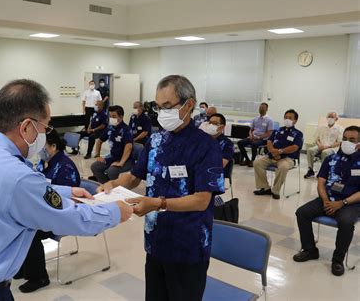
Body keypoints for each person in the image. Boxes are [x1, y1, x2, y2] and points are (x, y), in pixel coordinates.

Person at [0, 79, 133, 301]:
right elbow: (68, 218)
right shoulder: (14, 174)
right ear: (26, 126)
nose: (45, 135)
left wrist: (67, 192)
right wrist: (115, 212)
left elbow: (21, 191)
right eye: (45, 127)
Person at [98, 75, 224, 301]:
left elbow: (202, 200)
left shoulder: (206, 146)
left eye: (168, 106)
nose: (162, 113)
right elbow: (135, 177)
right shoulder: (156, 141)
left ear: (189, 104)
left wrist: (158, 203)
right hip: (156, 240)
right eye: (158, 107)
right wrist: (112, 184)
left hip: (188, 244)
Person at [17, 129, 81, 293]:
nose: (39, 151)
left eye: (42, 147)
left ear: (53, 146)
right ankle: (22, 268)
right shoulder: (43, 162)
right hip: (42, 209)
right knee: (16, 223)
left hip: (61, 214)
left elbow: (66, 201)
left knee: (29, 230)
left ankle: (39, 277)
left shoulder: (65, 167)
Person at [294, 126, 360, 276]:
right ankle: (310, 249)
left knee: (346, 222)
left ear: (359, 144)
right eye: (344, 138)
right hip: (327, 198)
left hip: (351, 203)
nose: (346, 142)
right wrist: (325, 201)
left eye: (352, 140)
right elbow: (321, 182)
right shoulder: (331, 158)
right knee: (302, 213)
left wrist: (342, 203)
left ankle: (337, 260)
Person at [253, 109, 304, 200]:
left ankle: (275, 191)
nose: (287, 119)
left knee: (283, 167)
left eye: (290, 118)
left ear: (295, 120)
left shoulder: (298, 134)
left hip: (287, 158)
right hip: (272, 155)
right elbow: (269, 141)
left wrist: (280, 152)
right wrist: (273, 151)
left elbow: (295, 147)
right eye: (285, 117)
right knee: (257, 162)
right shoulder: (278, 130)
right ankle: (265, 187)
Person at [90, 105, 133, 183]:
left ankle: (116, 189)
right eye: (110, 116)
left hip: (126, 160)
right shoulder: (110, 128)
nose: (112, 119)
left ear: (121, 117)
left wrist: (121, 162)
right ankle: (106, 185)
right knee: (95, 166)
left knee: (111, 171)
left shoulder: (126, 129)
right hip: (112, 157)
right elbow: (99, 140)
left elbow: (128, 147)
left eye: (114, 116)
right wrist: (98, 155)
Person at [304, 112, 343, 178]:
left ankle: (322, 172)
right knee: (310, 150)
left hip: (332, 148)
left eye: (332, 117)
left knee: (325, 152)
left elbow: (339, 142)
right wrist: (319, 145)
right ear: (327, 118)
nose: (330, 118)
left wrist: (328, 146)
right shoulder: (321, 127)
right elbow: (316, 138)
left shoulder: (340, 129)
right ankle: (310, 170)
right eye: (329, 117)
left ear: (336, 119)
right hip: (320, 146)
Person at [237, 102, 274, 167]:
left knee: (254, 144)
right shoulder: (255, 119)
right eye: (260, 107)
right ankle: (247, 159)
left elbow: (269, 133)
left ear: (266, 109)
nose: (261, 109)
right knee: (240, 143)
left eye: (263, 108)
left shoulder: (269, 120)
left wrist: (259, 137)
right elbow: (251, 129)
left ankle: (253, 160)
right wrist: (251, 135)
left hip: (263, 139)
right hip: (253, 137)